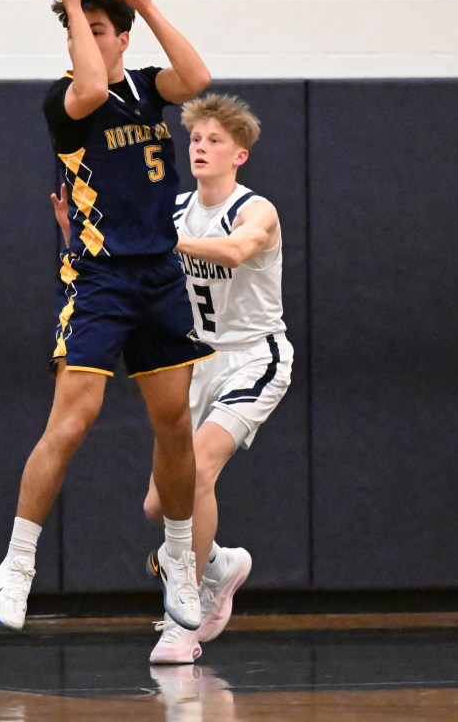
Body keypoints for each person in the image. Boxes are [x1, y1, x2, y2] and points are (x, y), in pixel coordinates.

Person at [0, 0, 215, 635]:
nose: (80, 36)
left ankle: (179, 560)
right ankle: (18, 562)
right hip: (100, 278)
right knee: (73, 419)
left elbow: (200, 76)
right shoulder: (65, 100)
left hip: (160, 275)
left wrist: (143, 2)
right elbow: (88, 83)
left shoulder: (148, 86)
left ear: (122, 36)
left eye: (93, 27)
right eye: (73, 27)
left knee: (174, 423)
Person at [144, 93, 293, 664]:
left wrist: (168, 242)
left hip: (254, 357)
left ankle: (184, 615)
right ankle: (222, 564)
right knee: (160, 505)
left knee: (200, 467)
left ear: (240, 155)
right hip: (195, 362)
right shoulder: (175, 207)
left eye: (214, 141)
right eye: (196, 139)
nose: (201, 148)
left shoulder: (257, 210)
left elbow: (235, 252)